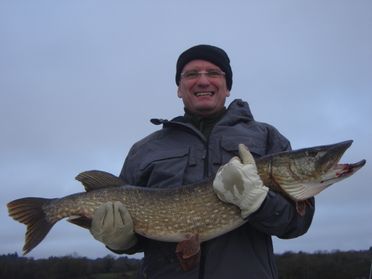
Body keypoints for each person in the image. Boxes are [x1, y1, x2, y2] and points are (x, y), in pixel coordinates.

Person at [89, 44, 315, 279]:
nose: (203, 81)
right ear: (179, 88)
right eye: (192, 74)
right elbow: (134, 234)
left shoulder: (267, 138)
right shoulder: (144, 150)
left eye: (214, 73)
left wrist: (259, 202)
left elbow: (297, 223)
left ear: (227, 87)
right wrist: (120, 241)